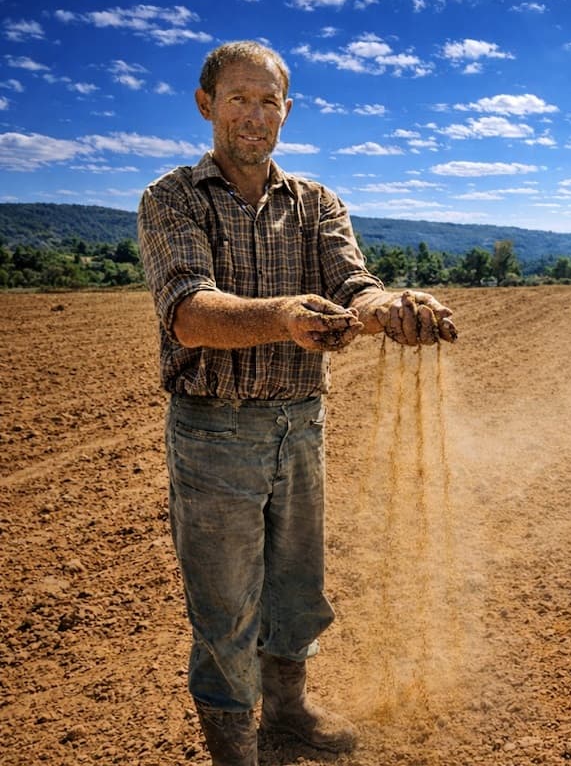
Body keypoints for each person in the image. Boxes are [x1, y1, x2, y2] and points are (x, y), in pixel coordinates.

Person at [137, 40, 456, 766]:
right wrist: (281, 315)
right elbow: (189, 311)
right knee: (224, 608)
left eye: (268, 101)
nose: (255, 115)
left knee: (295, 589)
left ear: (287, 109)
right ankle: (235, 750)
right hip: (214, 432)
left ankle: (289, 713)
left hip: (301, 427)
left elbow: (354, 284)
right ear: (206, 105)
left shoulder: (316, 203)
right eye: (239, 99)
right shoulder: (172, 198)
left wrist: (390, 309)